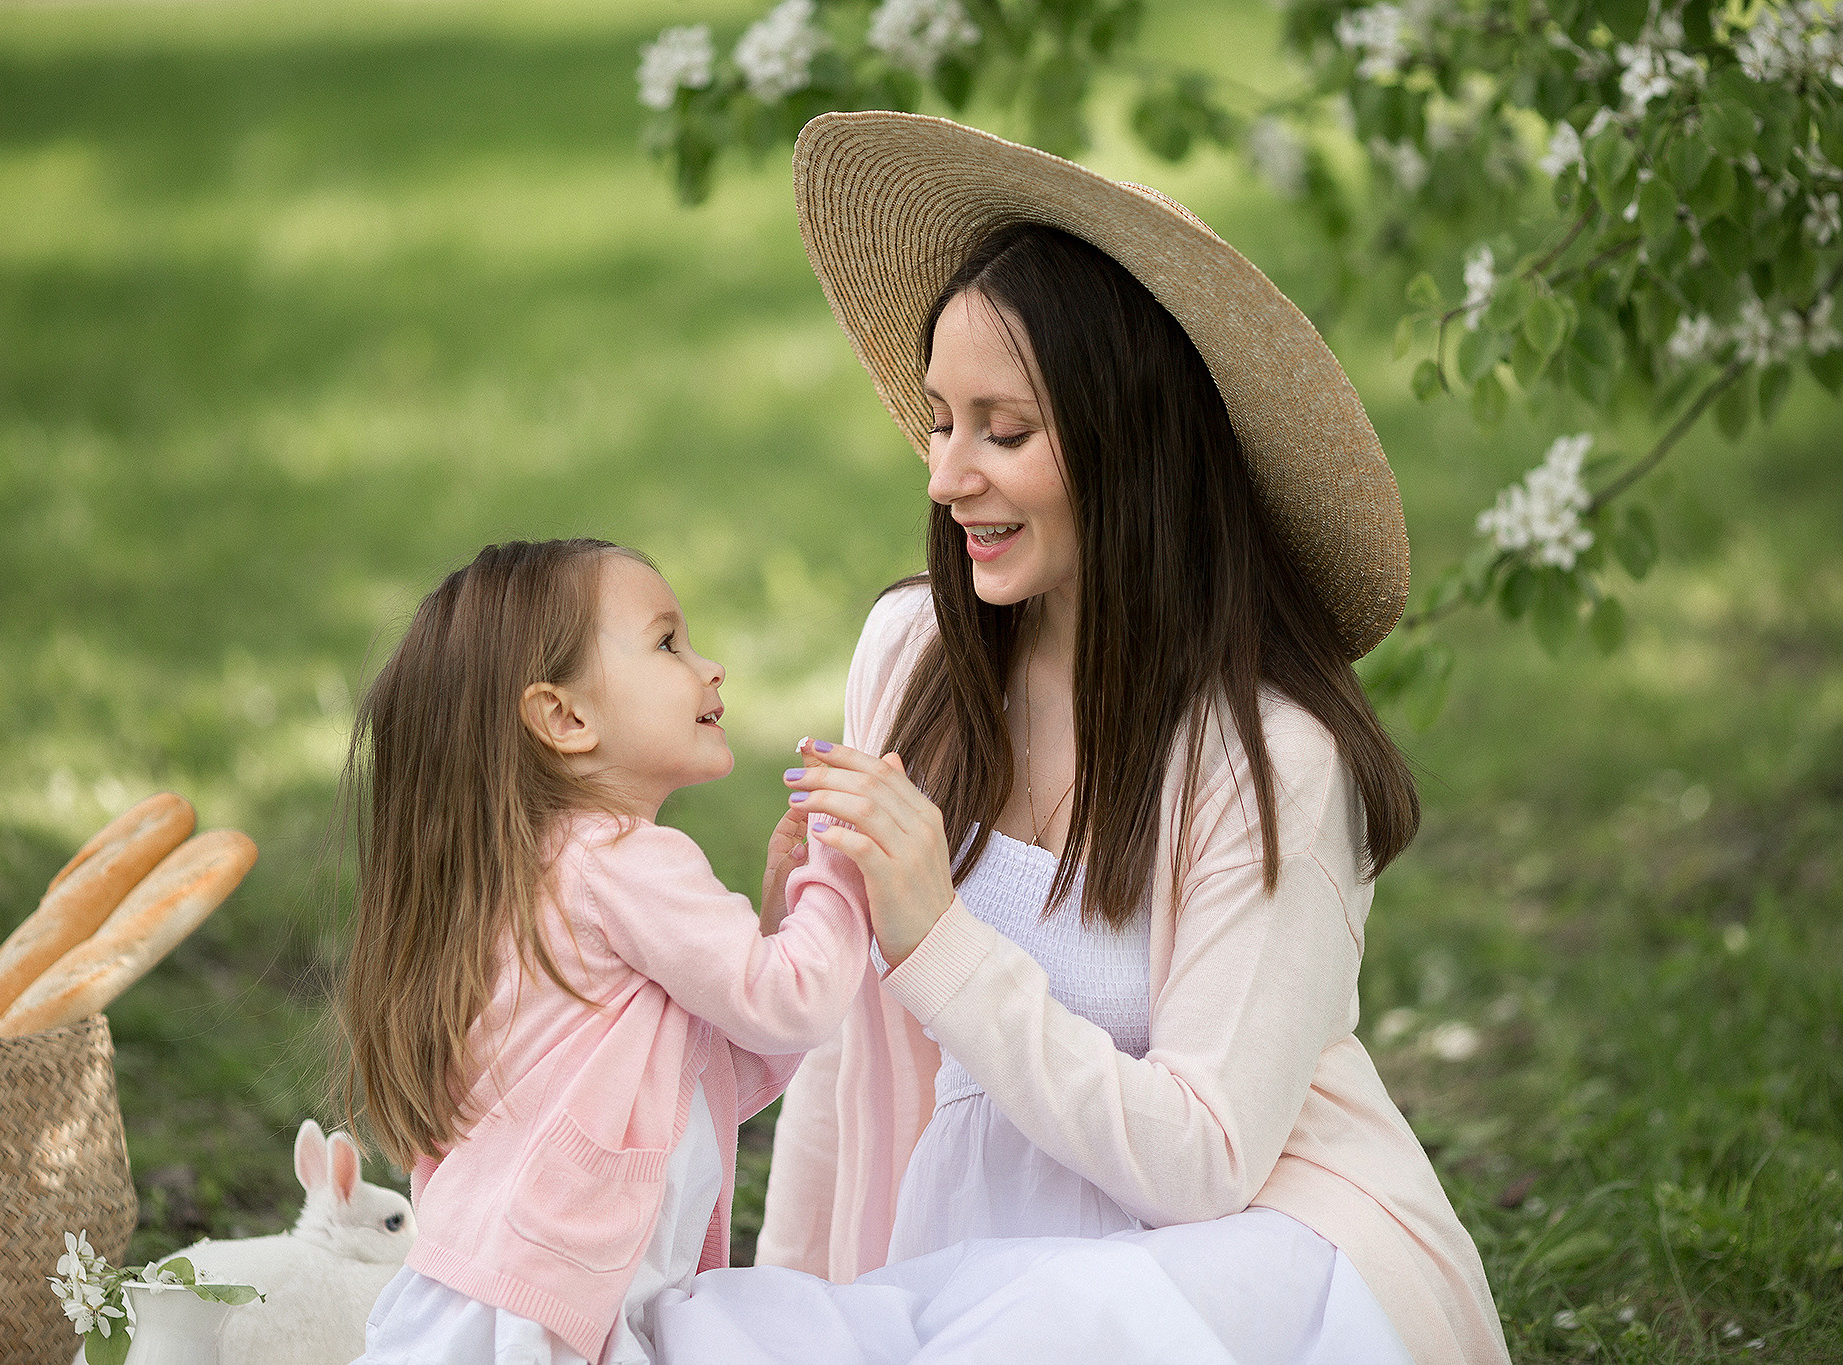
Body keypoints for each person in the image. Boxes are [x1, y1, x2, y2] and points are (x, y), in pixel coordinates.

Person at [646, 113, 1512, 1364]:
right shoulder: (911, 659)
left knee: (1067, 1322)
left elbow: (1204, 1161)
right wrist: (801, 1296)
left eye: (1005, 431)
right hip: (982, 1250)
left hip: (1252, 1258)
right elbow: (848, 1072)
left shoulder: (1268, 763)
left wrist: (935, 936)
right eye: (941, 421)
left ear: (1130, 452)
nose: (946, 475)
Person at [334, 538, 872, 1365]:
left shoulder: (540, 872)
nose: (712, 665)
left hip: (504, 1293)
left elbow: (717, 1067)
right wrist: (845, 867)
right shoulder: (625, 860)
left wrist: (782, 907)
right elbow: (792, 999)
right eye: (667, 643)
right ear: (566, 717)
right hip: (552, 1306)